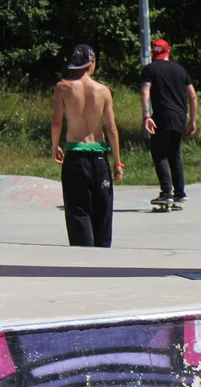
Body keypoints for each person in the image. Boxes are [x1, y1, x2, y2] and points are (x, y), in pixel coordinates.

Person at [51, 44, 123, 248]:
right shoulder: (103, 91)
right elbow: (112, 129)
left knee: (78, 210)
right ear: (91, 63)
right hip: (99, 158)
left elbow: (56, 122)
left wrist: (55, 146)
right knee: (103, 209)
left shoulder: (62, 87)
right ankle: (101, 253)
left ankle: (83, 254)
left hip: (74, 155)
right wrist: (118, 162)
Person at [141, 39, 197, 209]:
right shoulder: (180, 70)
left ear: (154, 52)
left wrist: (146, 116)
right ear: (168, 51)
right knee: (175, 155)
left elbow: (145, 91)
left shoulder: (150, 69)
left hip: (162, 118)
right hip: (180, 118)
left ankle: (167, 193)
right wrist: (192, 120)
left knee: (159, 155)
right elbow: (193, 96)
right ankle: (180, 193)